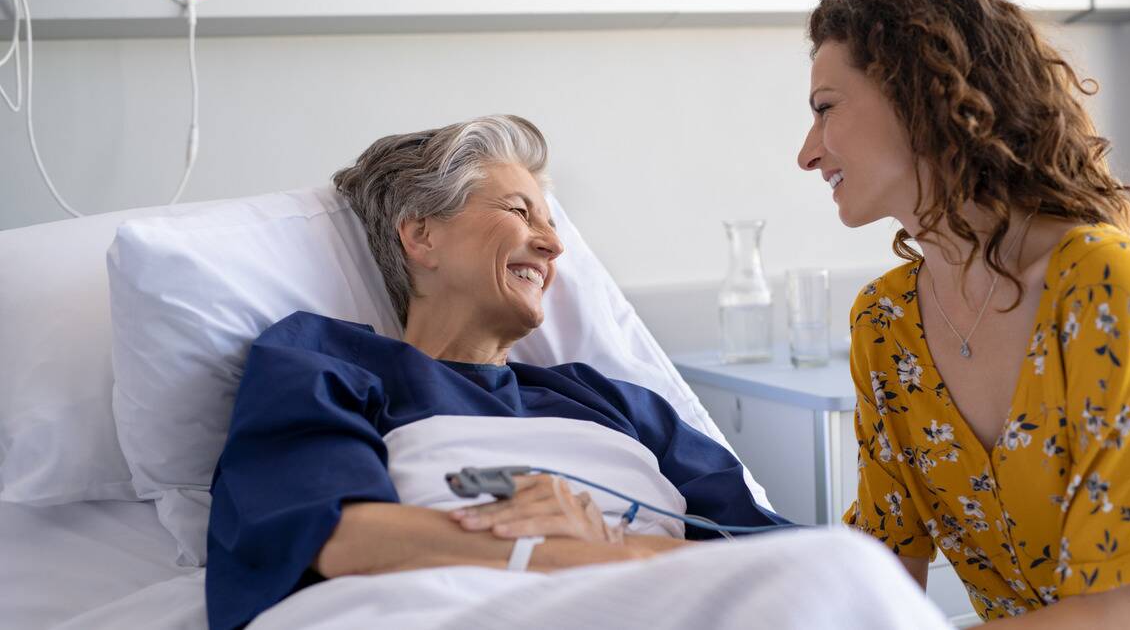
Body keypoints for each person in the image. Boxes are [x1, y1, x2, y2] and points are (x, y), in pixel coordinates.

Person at [203, 115, 793, 630]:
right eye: (519, 210)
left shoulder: (615, 404)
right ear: (421, 235)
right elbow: (332, 536)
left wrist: (611, 544)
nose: (554, 245)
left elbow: (776, 557)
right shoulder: (326, 361)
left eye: (552, 222)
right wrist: (577, 557)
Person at [797, 0, 1130, 628]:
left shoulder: (1104, 285)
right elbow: (881, 571)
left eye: (824, 109)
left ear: (914, 93)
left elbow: (1112, 615)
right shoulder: (886, 323)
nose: (808, 153)